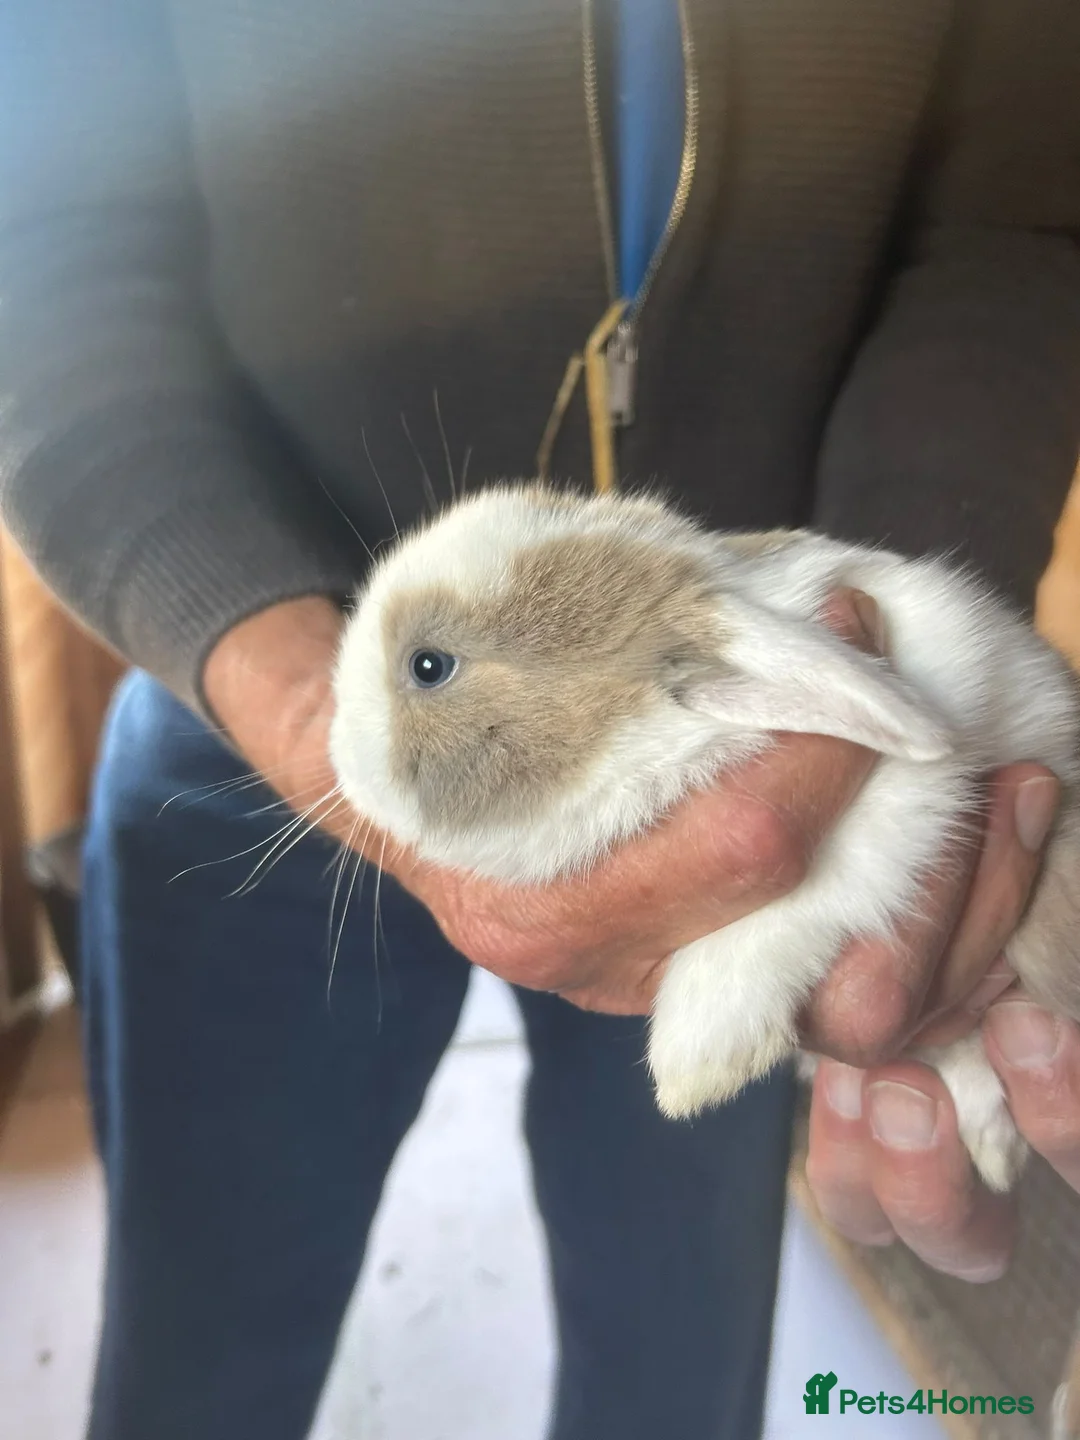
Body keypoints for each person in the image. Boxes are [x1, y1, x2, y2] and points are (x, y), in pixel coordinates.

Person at [1, 2, 1079, 1437]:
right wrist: (286, 679)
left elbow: (1009, 219)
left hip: (737, 746)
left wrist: (881, 662)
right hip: (253, 662)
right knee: (204, 1325)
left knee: (676, 1340)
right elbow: (46, 249)